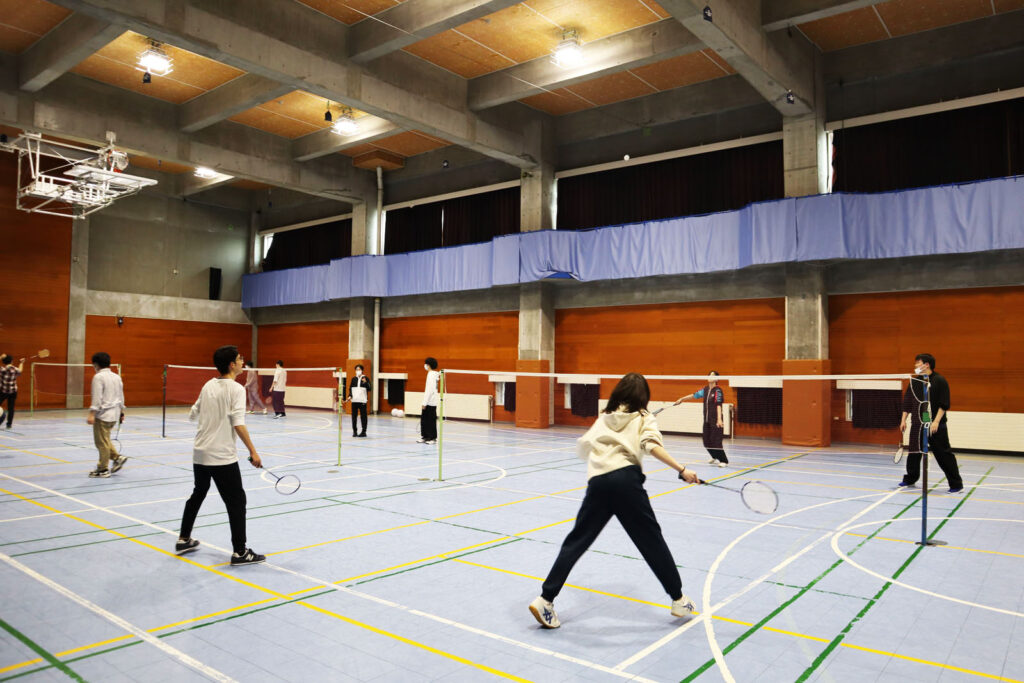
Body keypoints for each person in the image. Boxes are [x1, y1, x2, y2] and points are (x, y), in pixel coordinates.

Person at [529, 372, 700, 629]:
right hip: (626, 482)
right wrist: (682, 469)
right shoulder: (644, 417)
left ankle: (545, 599)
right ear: (644, 396)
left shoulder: (604, 417)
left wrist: (604, 451)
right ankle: (678, 599)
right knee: (651, 541)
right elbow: (651, 445)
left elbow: (583, 446)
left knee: (576, 541)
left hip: (598, 483)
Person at [176, 345, 265, 565]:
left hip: (200, 453)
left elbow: (193, 412)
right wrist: (253, 451)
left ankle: (184, 539)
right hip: (221, 456)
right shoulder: (237, 389)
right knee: (237, 502)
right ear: (232, 365)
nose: (242, 361)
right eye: (239, 358)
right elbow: (238, 423)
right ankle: (240, 552)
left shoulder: (208, 385)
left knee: (198, 493)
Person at [898, 353, 963, 493]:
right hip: (919, 421)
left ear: (926, 365)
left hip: (935, 424)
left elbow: (944, 404)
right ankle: (910, 478)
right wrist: (903, 419)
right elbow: (908, 401)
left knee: (943, 455)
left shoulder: (939, 380)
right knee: (914, 453)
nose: (915, 365)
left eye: (918, 363)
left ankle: (956, 484)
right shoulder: (915, 381)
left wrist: (936, 422)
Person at [674, 371, 728, 467]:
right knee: (706, 441)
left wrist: (719, 419)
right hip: (706, 420)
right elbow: (694, 395)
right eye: (709, 375)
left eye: (712, 375)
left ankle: (724, 461)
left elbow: (719, 405)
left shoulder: (718, 390)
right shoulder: (705, 390)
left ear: (716, 379)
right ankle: (714, 456)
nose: (710, 376)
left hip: (715, 420)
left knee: (716, 441)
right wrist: (681, 399)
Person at [87, 352, 127, 478]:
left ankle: (103, 469)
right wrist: (121, 412)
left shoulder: (98, 377)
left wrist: (92, 414)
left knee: (101, 443)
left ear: (95, 364)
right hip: (114, 414)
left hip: (103, 415)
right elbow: (121, 396)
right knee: (105, 440)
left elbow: (97, 398)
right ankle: (117, 458)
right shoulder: (116, 377)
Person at [418, 357, 439, 444]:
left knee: (430, 421)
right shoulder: (434, 374)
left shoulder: (431, 374)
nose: (425, 366)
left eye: (425, 364)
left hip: (430, 402)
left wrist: (424, 402)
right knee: (424, 420)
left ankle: (432, 438)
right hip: (430, 401)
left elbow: (429, 390)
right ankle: (425, 437)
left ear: (428, 365)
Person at [0, 354, 24, 430]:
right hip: (13, 392)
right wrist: (21, 363)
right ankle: (9, 425)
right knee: (11, 408)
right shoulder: (15, 369)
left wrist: (1, 357)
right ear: (12, 361)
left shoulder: (2, 370)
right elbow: (20, 370)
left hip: (3, 392)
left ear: (4, 362)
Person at [349, 364, 371, 437]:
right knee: (354, 417)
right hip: (354, 401)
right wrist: (350, 396)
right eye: (357, 369)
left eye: (359, 369)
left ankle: (364, 432)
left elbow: (369, 388)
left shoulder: (365, 378)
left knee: (363, 417)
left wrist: (365, 382)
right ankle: (354, 431)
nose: (358, 371)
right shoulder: (353, 379)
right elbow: (350, 389)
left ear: (362, 370)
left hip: (362, 401)